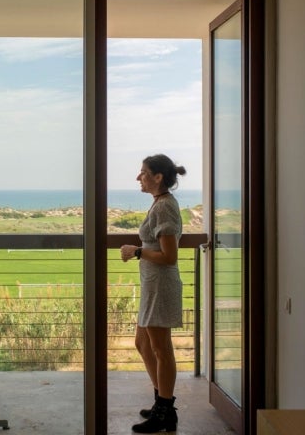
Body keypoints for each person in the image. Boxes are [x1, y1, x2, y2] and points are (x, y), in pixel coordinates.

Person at [120, 154, 186, 434]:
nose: (139, 177)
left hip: (161, 286)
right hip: (152, 286)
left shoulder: (164, 208)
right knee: (142, 343)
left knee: (161, 349)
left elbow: (169, 256)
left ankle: (165, 411)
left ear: (158, 177)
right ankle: (161, 401)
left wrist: (136, 251)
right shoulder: (159, 204)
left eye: (144, 172)